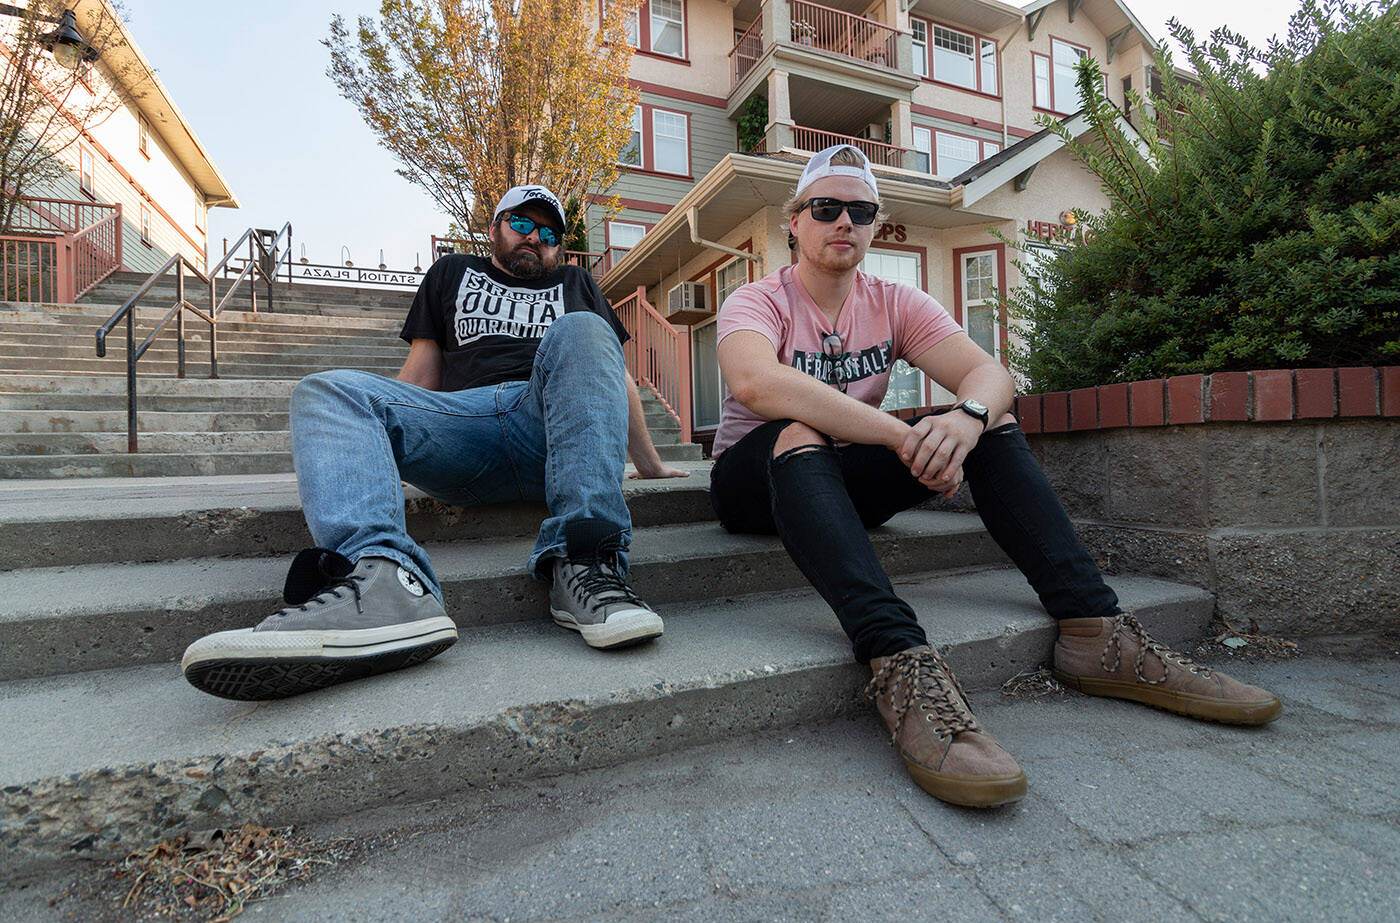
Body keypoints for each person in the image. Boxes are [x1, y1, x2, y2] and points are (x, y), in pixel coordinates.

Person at [709, 145, 1281, 809]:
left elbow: (993, 375)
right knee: (801, 429)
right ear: (795, 223)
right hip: (754, 481)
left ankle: (1095, 629)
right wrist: (903, 433)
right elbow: (755, 380)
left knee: (990, 423)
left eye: (860, 209)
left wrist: (967, 420)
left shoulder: (893, 300)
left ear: (875, 223)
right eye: (826, 207)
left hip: (840, 482)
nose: (843, 220)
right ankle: (900, 661)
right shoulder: (759, 298)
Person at [183, 184, 688, 702]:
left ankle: (584, 561)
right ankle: (383, 584)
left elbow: (615, 379)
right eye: (522, 224)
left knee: (586, 329)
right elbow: (420, 377)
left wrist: (647, 462)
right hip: (462, 424)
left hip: (550, 423)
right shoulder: (451, 273)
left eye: (549, 233)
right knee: (327, 389)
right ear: (493, 227)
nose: (535, 239)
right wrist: (376, 453)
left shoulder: (576, 281)